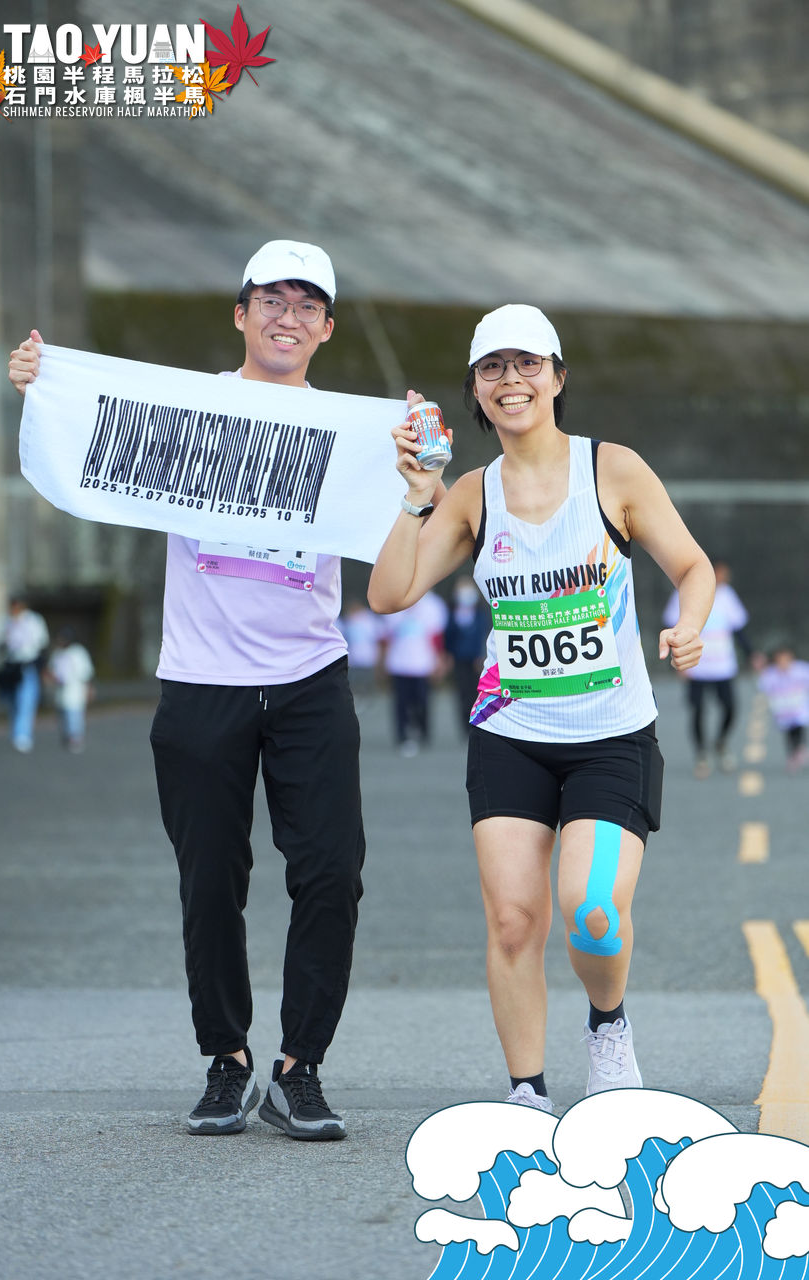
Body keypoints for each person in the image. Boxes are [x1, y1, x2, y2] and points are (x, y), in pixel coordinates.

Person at [8, 241, 377, 1142]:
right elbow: (90, 434)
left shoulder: (353, 433)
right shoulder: (185, 411)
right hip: (201, 681)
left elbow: (410, 517)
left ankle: (299, 1067)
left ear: (326, 329)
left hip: (309, 679)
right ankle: (227, 1058)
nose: (287, 317)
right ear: (240, 314)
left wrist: (419, 467)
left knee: (332, 873)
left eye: (307, 305)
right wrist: (42, 385)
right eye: (270, 300)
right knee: (209, 880)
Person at [368, 304, 714, 1112]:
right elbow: (389, 594)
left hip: (611, 737)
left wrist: (688, 625)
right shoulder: (470, 494)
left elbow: (692, 567)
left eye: (527, 363)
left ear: (557, 377)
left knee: (591, 913)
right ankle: (526, 1093)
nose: (511, 380)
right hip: (509, 737)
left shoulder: (611, 471)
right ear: (474, 391)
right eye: (492, 368)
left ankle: (607, 1026)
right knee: (514, 922)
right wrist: (416, 498)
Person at [663, 560, 751, 778]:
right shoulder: (683, 593)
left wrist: (752, 654)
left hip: (723, 666)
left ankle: (721, 742)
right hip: (696, 666)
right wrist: (677, 663)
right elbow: (672, 629)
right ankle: (701, 754)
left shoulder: (727, 596)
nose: (723, 578)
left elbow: (738, 629)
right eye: (719, 573)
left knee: (730, 707)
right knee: (698, 710)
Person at [379, 591, 448, 756]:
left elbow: (437, 636)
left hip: (423, 664)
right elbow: (386, 636)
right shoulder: (393, 600)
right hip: (399, 663)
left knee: (422, 701)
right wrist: (381, 662)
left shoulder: (433, 604)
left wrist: (439, 660)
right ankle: (402, 734)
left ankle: (423, 731)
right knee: (400, 702)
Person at [0, 593, 49, 753]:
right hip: (10, 666)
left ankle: (22, 735)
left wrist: (43, 667)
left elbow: (42, 644)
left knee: (27, 700)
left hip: (28, 665)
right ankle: (17, 731)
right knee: (13, 702)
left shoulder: (34, 621)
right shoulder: (4, 622)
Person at [443, 576, 491, 733]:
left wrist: (482, 655)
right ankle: (464, 725)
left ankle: (477, 722)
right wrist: (447, 654)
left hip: (477, 659)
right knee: (462, 692)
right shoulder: (452, 612)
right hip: (459, 658)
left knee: (476, 691)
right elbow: (448, 635)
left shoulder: (480, 613)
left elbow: (484, 635)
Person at [756, 648, 809, 772]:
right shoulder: (771, 674)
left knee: (799, 728)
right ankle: (792, 755)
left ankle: (800, 748)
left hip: (798, 708)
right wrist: (761, 671)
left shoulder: (800, 670)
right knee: (789, 734)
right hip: (783, 711)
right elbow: (762, 686)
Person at [46, 627, 95, 752]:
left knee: (74, 715)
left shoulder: (78, 653)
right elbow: (51, 670)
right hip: (60, 691)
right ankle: (67, 736)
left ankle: (76, 737)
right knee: (62, 716)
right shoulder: (57, 653)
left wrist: (89, 689)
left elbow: (86, 673)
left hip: (75, 690)